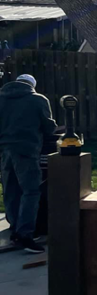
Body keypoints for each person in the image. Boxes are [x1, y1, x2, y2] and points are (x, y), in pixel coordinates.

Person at [0, 74, 57, 253]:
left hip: (4, 150)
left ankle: (15, 229)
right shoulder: (38, 99)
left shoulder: (1, 99)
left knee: (11, 190)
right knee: (31, 190)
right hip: (26, 149)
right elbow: (49, 127)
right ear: (32, 85)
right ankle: (25, 235)